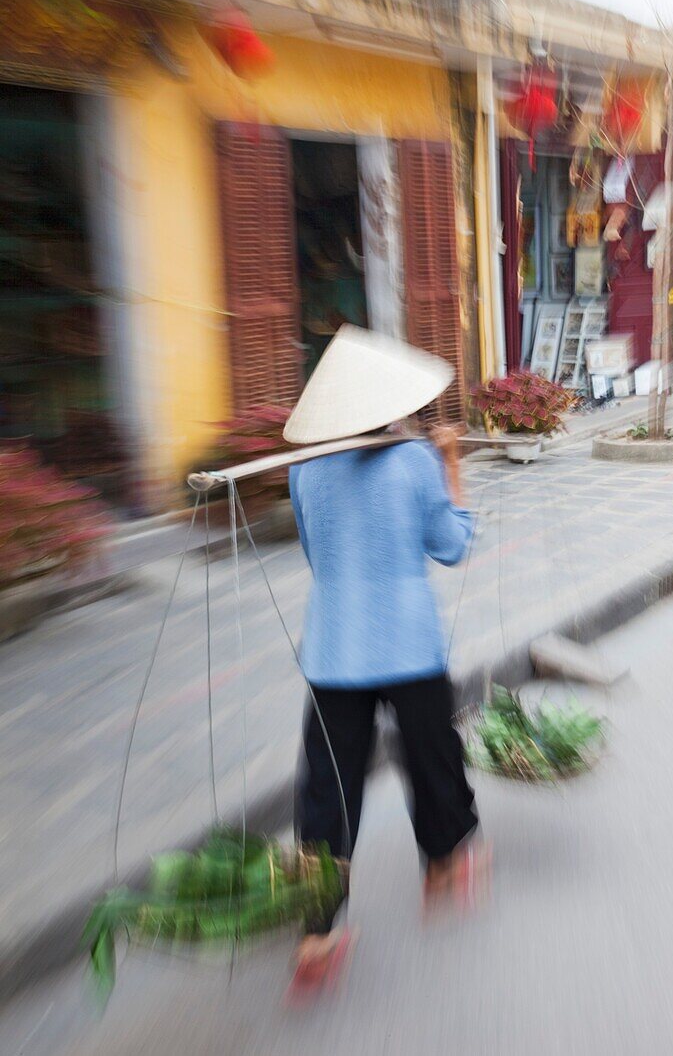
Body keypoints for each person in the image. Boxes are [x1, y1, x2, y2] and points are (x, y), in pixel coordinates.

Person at [283, 325, 482, 998]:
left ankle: (316, 932)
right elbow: (451, 546)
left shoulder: (303, 468)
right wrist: (451, 464)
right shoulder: (415, 461)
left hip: (334, 646)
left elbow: (319, 558)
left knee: (326, 791)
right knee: (432, 759)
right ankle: (442, 869)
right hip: (407, 643)